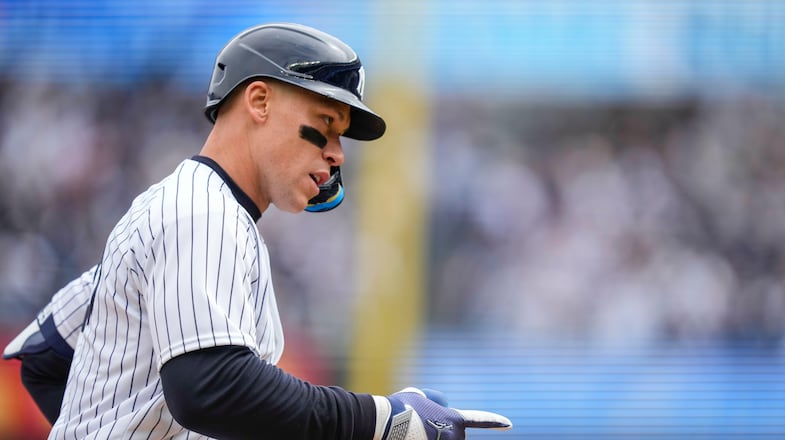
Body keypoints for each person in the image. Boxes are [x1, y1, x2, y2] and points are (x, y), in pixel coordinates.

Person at [3, 22, 512, 439]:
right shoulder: (202, 213)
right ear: (260, 101)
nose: (337, 154)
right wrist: (381, 420)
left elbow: (46, 352)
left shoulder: (192, 207)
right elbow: (211, 388)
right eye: (325, 124)